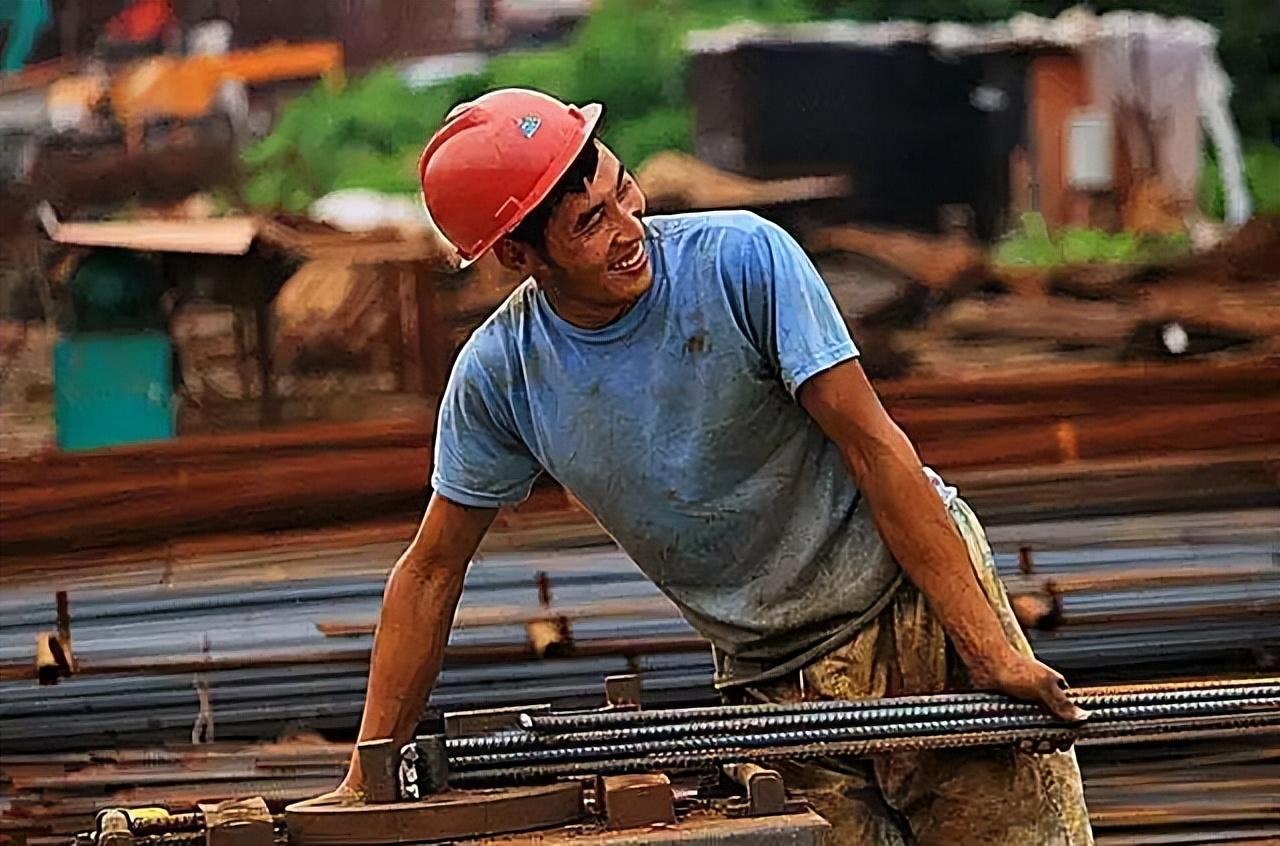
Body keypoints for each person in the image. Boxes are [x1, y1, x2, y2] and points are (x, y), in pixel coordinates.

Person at [315, 88, 1093, 845]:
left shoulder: (742, 262)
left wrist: (989, 650)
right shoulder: (501, 375)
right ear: (519, 255)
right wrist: (364, 776)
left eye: (625, 192)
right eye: (592, 223)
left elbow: (876, 447)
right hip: (769, 680)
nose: (630, 227)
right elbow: (430, 572)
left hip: (915, 611)